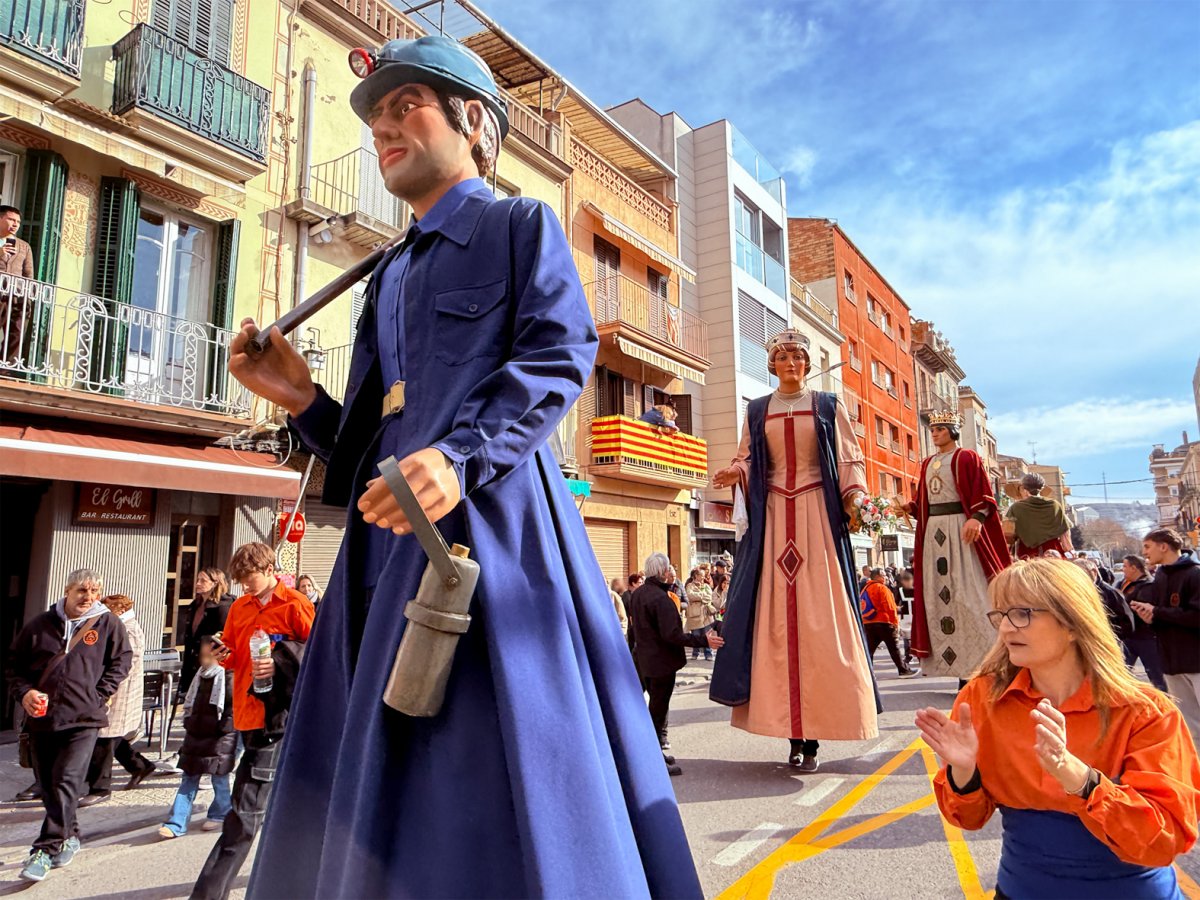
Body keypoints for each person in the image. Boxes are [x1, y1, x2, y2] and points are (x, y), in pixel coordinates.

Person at [227, 36, 703, 900]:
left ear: (474, 122)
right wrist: (303, 401)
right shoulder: (387, 271)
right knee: (378, 770)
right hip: (389, 550)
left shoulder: (518, 224)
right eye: (376, 118)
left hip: (497, 527)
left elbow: (560, 354)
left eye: (406, 106)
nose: (383, 131)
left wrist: (459, 455)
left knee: (503, 763)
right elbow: (377, 440)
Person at [918, 559, 1200, 898]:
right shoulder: (982, 697)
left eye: (1022, 613)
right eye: (1000, 615)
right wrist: (964, 774)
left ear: (1072, 622)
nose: (1006, 628)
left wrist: (1081, 780)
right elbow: (968, 819)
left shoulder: (1145, 712)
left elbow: (1163, 841)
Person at [711, 329, 879, 772]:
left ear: (807, 364)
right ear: (771, 364)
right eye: (783, 357)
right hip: (772, 520)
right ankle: (791, 733)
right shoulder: (757, 410)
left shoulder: (827, 405)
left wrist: (857, 497)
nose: (791, 364)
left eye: (798, 358)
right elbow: (748, 457)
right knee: (775, 626)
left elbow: (849, 459)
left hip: (816, 518)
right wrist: (735, 472)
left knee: (819, 622)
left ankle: (816, 733)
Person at [190, 542, 314, 900]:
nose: (244, 585)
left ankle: (208, 894)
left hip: (279, 717)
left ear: (269, 568)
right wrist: (223, 653)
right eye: (241, 579)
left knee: (245, 812)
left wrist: (278, 659)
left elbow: (319, 656)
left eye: (250, 577)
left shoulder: (295, 604)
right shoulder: (240, 607)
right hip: (246, 711)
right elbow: (230, 654)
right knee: (271, 805)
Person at [6, 568, 131, 884]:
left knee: (66, 780)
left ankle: (45, 850)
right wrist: (25, 693)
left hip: (84, 719)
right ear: (66, 591)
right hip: (42, 719)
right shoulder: (39, 625)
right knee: (48, 786)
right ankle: (71, 835)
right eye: (81, 591)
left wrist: (98, 694)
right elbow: (14, 667)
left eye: (93, 592)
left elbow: (122, 661)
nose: (88, 598)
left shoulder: (107, 624)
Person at [906, 412, 1011, 686]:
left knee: (970, 594)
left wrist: (976, 518)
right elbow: (924, 502)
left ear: (952, 431)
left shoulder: (967, 457)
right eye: (933, 429)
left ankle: (986, 663)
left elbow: (983, 493)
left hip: (960, 529)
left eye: (940, 429)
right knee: (939, 597)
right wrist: (909, 507)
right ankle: (955, 666)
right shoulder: (927, 463)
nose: (935, 433)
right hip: (933, 534)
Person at [628, 553, 724, 776]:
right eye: (669, 569)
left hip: (643, 660)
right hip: (661, 663)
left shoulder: (639, 594)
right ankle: (654, 760)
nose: (673, 572)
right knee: (657, 711)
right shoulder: (662, 600)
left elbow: (635, 630)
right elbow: (673, 635)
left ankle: (656, 753)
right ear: (661, 572)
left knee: (653, 709)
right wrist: (704, 640)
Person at [160, 636, 236, 838]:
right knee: (189, 778)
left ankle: (220, 813)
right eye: (203, 655)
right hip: (196, 734)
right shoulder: (200, 676)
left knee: (219, 779)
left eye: (208, 655)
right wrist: (189, 722)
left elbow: (232, 709)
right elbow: (189, 704)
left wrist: (223, 729)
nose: (204, 660)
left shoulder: (229, 676)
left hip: (219, 737)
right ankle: (176, 823)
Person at [1130, 529, 1200, 743]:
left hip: (1196, 661)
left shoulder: (1195, 574)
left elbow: (1196, 616)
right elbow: (1164, 615)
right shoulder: (1160, 575)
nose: (1145, 553)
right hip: (1171, 662)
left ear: (1164, 546)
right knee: (1190, 727)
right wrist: (1151, 618)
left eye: (1148, 546)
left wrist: (1158, 612)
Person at [85, 594, 156, 803]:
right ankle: (140, 766)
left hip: (121, 692)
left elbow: (126, 663)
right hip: (113, 690)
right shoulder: (119, 626)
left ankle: (100, 787)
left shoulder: (129, 629)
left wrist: (108, 686)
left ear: (118, 610)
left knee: (106, 739)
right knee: (112, 738)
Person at [181, 568, 235, 692]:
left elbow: (224, 638)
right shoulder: (195, 605)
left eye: (203, 581)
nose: (198, 584)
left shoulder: (224, 607)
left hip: (214, 664)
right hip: (193, 661)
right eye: (198, 580)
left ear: (215, 583)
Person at [1120, 555, 1167, 692]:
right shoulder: (1124, 584)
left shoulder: (1149, 585)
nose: (1123, 570)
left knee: (1157, 678)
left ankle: (1166, 706)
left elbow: (1146, 610)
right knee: (1121, 673)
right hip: (1129, 638)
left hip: (1147, 638)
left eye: (1125, 566)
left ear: (1134, 568)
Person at [860, 568, 918, 678]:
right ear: (877, 576)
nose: (886, 577)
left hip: (869, 622)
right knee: (894, 648)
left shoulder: (866, 588)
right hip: (885, 622)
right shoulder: (882, 588)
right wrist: (896, 624)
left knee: (869, 650)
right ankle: (903, 670)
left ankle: (868, 673)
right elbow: (889, 608)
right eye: (884, 575)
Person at [1005, 472, 1073, 559]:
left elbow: (1008, 535)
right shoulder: (1054, 505)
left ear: (1024, 489)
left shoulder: (1016, 507)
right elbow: (1065, 533)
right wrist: (1070, 551)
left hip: (1027, 554)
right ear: (1042, 488)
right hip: (1054, 554)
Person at [0, 204, 35, 366]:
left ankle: (5, 369)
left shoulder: (24, 246)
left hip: (17, 296)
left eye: (18, 222)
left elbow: (28, 273)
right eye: (11, 220)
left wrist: (28, 298)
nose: (15, 224)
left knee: (17, 333)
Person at [684, 568, 717, 661]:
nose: (703, 577)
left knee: (707, 634)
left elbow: (709, 596)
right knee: (696, 635)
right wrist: (702, 596)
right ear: (696, 576)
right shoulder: (690, 585)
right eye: (701, 575)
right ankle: (695, 653)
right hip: (695, 615)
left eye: (704, 576)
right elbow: (690, 596)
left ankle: (708, 653)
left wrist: (698, 596)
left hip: (706, 614)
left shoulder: (706, 586)